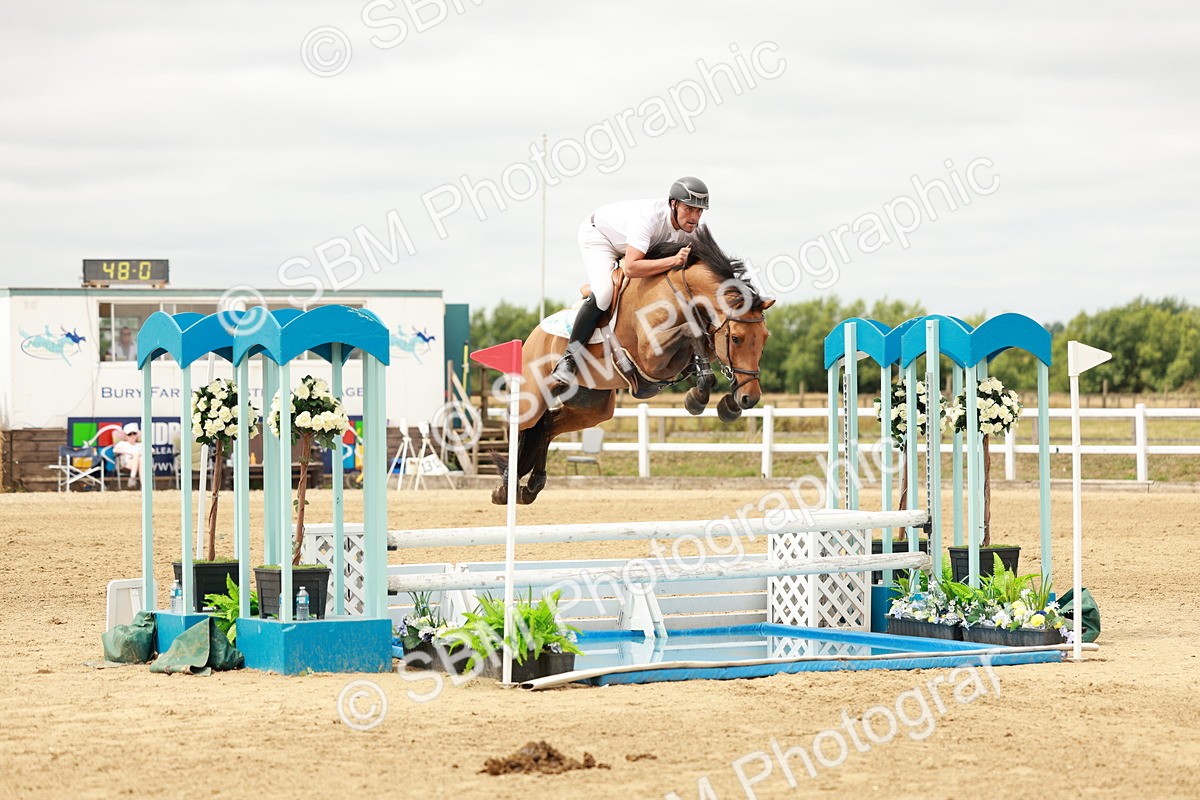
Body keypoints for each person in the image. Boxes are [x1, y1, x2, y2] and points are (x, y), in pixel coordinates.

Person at [550, 176, 713, 387]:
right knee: (604, 294)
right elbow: (632, 268)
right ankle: (569, 358)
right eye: (689, 209)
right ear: (674, 204)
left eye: (699, 211)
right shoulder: (649, 219)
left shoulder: (694, 229)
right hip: (601, 238)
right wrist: (673, 261)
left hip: (637, 247)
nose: (694, 217)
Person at [113, 422, 143, 488]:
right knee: (137, 455)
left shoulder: (140, 445)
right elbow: (115, 450)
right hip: (126, 464)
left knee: (141, 460)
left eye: (134, 434)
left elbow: (152, 450)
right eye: (129, 434)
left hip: (140, 464)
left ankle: (134, 479)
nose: (132, 436)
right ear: (126, 436)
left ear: (137, 435)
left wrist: (139, 454)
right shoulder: (123, 444)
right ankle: (140, 483)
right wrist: (129, 452)